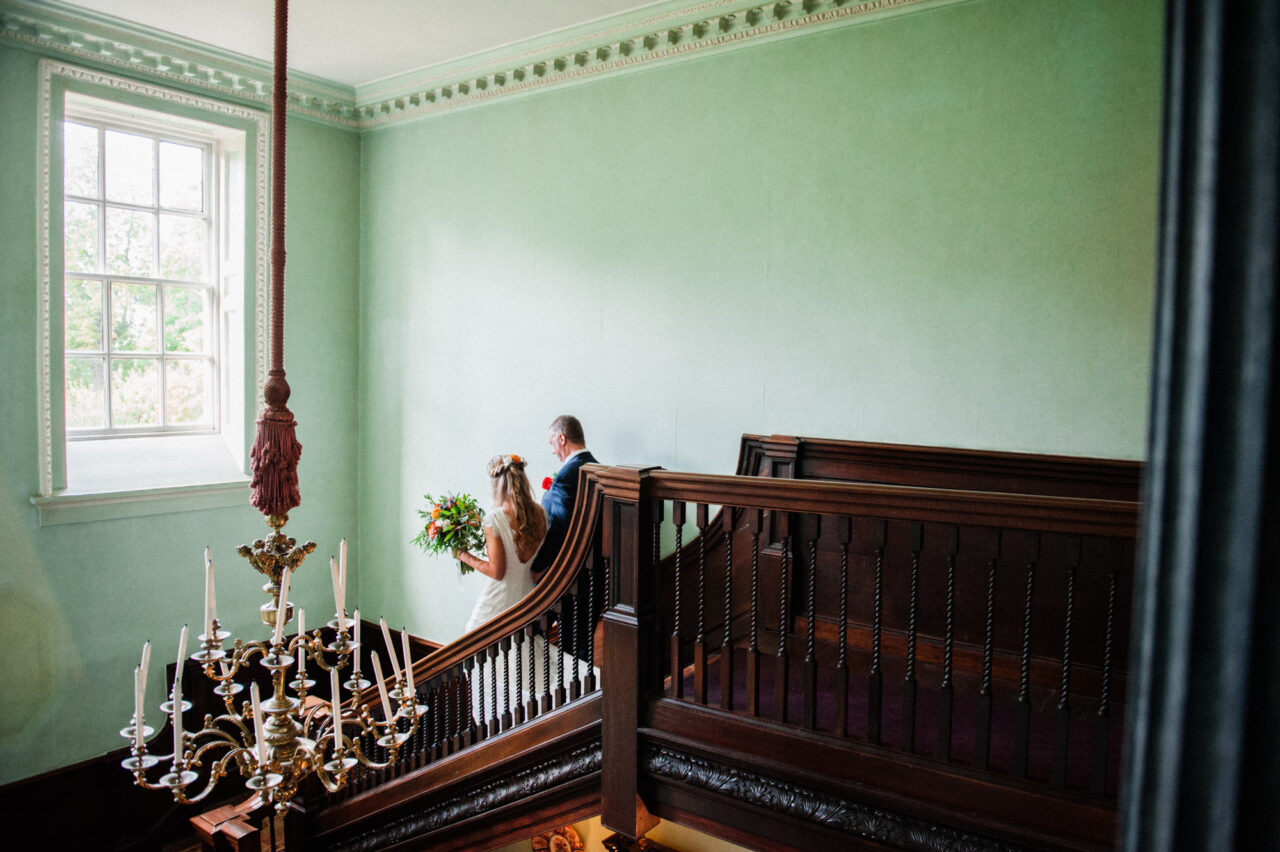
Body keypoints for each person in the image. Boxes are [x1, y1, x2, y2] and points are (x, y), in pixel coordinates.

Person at [457, 454, 548, 632]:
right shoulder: (541, 514)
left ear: (497, 485)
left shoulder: (495, 519)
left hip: (497, 603)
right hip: (524, 598)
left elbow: (497, 572)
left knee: (476, 644)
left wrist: (464, 556)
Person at [531, 415, 598, 579]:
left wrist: (538, 568)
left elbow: (560, 527)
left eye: (551, 443)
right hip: (593, 563)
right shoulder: (598, 467)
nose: (553, 451)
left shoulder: (566, 475)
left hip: (565, 570)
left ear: (562, 439)